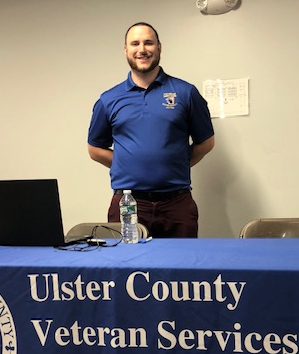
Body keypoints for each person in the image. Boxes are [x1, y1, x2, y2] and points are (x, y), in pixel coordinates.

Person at [87, 22, 215, 238]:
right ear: (126, 50)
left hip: (177, 204)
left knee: (181, 261)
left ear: (159, 47)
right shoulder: (109, 99)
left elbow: (206, 142)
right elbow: (94, 149)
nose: (142, 49)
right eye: (135, 43)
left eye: (148, 42)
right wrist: (128, 163)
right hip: (128, 203)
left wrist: (176, 162)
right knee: (127, 259)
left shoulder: (186, 93)